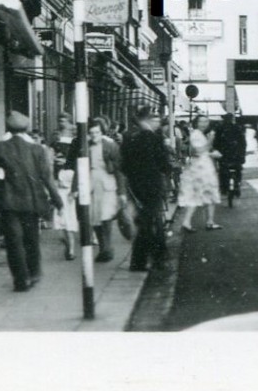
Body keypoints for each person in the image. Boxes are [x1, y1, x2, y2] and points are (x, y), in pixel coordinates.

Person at [0, 111, 64, 291]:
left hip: (8, 202)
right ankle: (34, 273)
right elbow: (47, 178)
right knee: (31, 239)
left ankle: (21, 279)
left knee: (14, 241)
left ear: (8, 128)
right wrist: (58, 201)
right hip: (31, 201)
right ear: (26, 129)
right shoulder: (37, 149)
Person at [119, 106, 176, 271]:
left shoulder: (129, 138)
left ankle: (144, 260)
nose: (158, 122)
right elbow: (163, 165)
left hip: (135, 188)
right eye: (156, 119)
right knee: (150, 223)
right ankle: (153, 259)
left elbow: (124, 166)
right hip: (152, 187)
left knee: (148, 222)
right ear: (148, 120)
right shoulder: (155, 139)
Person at [68, 119, 122, 263]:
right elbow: (79, 168)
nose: (94, 135)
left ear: (102, 132)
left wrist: (121, 192)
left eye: (97, 132)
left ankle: (107, 248)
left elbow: (119, 170)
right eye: (91, 133)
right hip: (91, 184)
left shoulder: (111, 146)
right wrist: (74, 189)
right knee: (94, 218)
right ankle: (104, 248)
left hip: (107, 184)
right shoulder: (85, 148)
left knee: (106, 217)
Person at [176, 114, 223, 231]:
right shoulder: (197, 134)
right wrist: (211, 140)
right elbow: (199, 150)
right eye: (201, 121)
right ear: (196, 123)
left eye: (206, 121)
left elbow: (200, 152)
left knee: (200, 193)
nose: (204, 124)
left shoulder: (198, 134)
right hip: (202, 168)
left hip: (201, 165)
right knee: (209, 192)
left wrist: (211, 153)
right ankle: (209, 222)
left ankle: (189, 222)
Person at [50, 116, 79, 260]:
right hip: (57, 176)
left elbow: (75, 160)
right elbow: (50, 155)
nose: (61, 124)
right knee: (60, 214)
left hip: (69, 176)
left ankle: (72, 247)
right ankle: (68, 243)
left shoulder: (75, 140)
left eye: (64, 121)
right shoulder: (55, 137)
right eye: (59, 121)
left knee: (68, 213)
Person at [211, 111, 247, 200]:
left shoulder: (220, 128)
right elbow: (243, 142)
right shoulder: (237, 128)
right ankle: (237, 186)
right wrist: (242, 154)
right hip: (236, 154)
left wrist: (217, 151)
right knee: (238, 171)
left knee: (223, 171)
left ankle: (224, 188)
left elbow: (216, 142)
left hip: (224, 155)